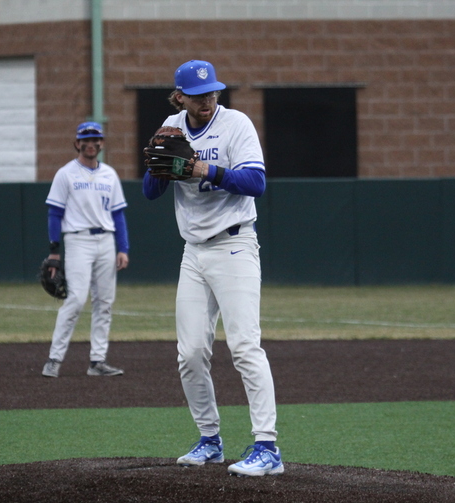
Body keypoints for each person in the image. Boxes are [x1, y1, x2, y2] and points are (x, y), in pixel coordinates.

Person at [142, 60, 282, 477]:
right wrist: (159, 162)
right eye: (198, 94)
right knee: (191, 352)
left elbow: (256, 183)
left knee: (244, 346)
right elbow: (151, 191)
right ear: (179, 96)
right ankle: (210, 440)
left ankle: (267, 447)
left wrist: (205, 169)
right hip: (194, 253)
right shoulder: (172, 125)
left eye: (212, 92)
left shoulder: (235, 124)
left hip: (235, 244)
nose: (207, 100)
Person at [41, 121, 129, 378]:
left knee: (105, 302)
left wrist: (123, 248)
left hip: (106, 241)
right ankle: (54, 359)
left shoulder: (109, 174)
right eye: (86, 139)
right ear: (77, 143)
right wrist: (54, 250)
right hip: (78, 240)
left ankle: (97, 361)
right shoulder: (66, 173)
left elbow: (119, 214)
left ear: (101, 143)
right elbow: (54, 213)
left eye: (95, 139)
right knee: (76, 299)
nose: (91, 143)